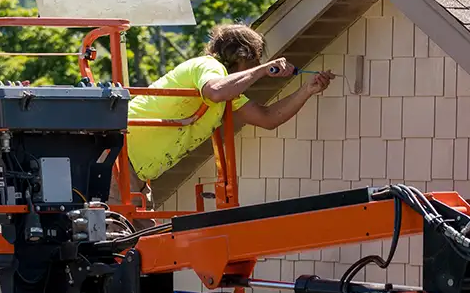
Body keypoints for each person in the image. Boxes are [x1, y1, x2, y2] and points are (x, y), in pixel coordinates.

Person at [109, 23, 334, 208]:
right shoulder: (208, 67)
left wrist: (307, 90)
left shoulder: (229, 89)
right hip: (118, 161)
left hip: (133, 171)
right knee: (119, 247)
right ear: (243, 55)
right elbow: (215, 91)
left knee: (145, 251)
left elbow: (267, 118)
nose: (257, 64)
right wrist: (263, 70)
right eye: (255, 59)